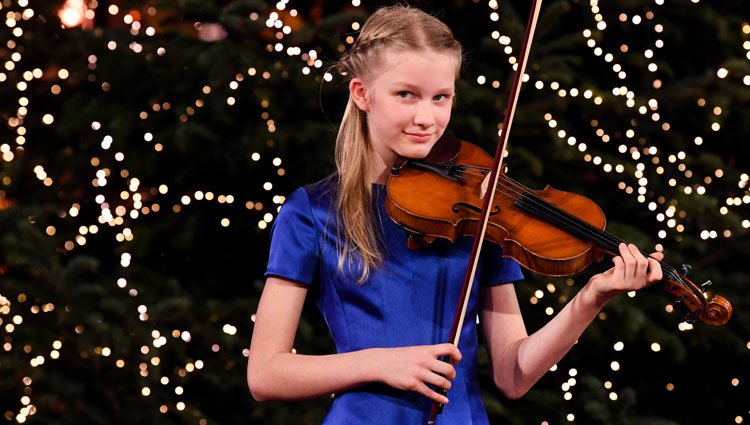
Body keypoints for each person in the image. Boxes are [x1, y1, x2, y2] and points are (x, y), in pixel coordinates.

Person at [247, 4, 664, 424]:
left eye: (440, 97)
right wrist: (378, 363)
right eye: (406, 94)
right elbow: (265, 373)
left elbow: (513, 375)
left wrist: (592, 298)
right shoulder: (314, 210)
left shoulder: (478, 210)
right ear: (362, 94)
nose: (426, 118)